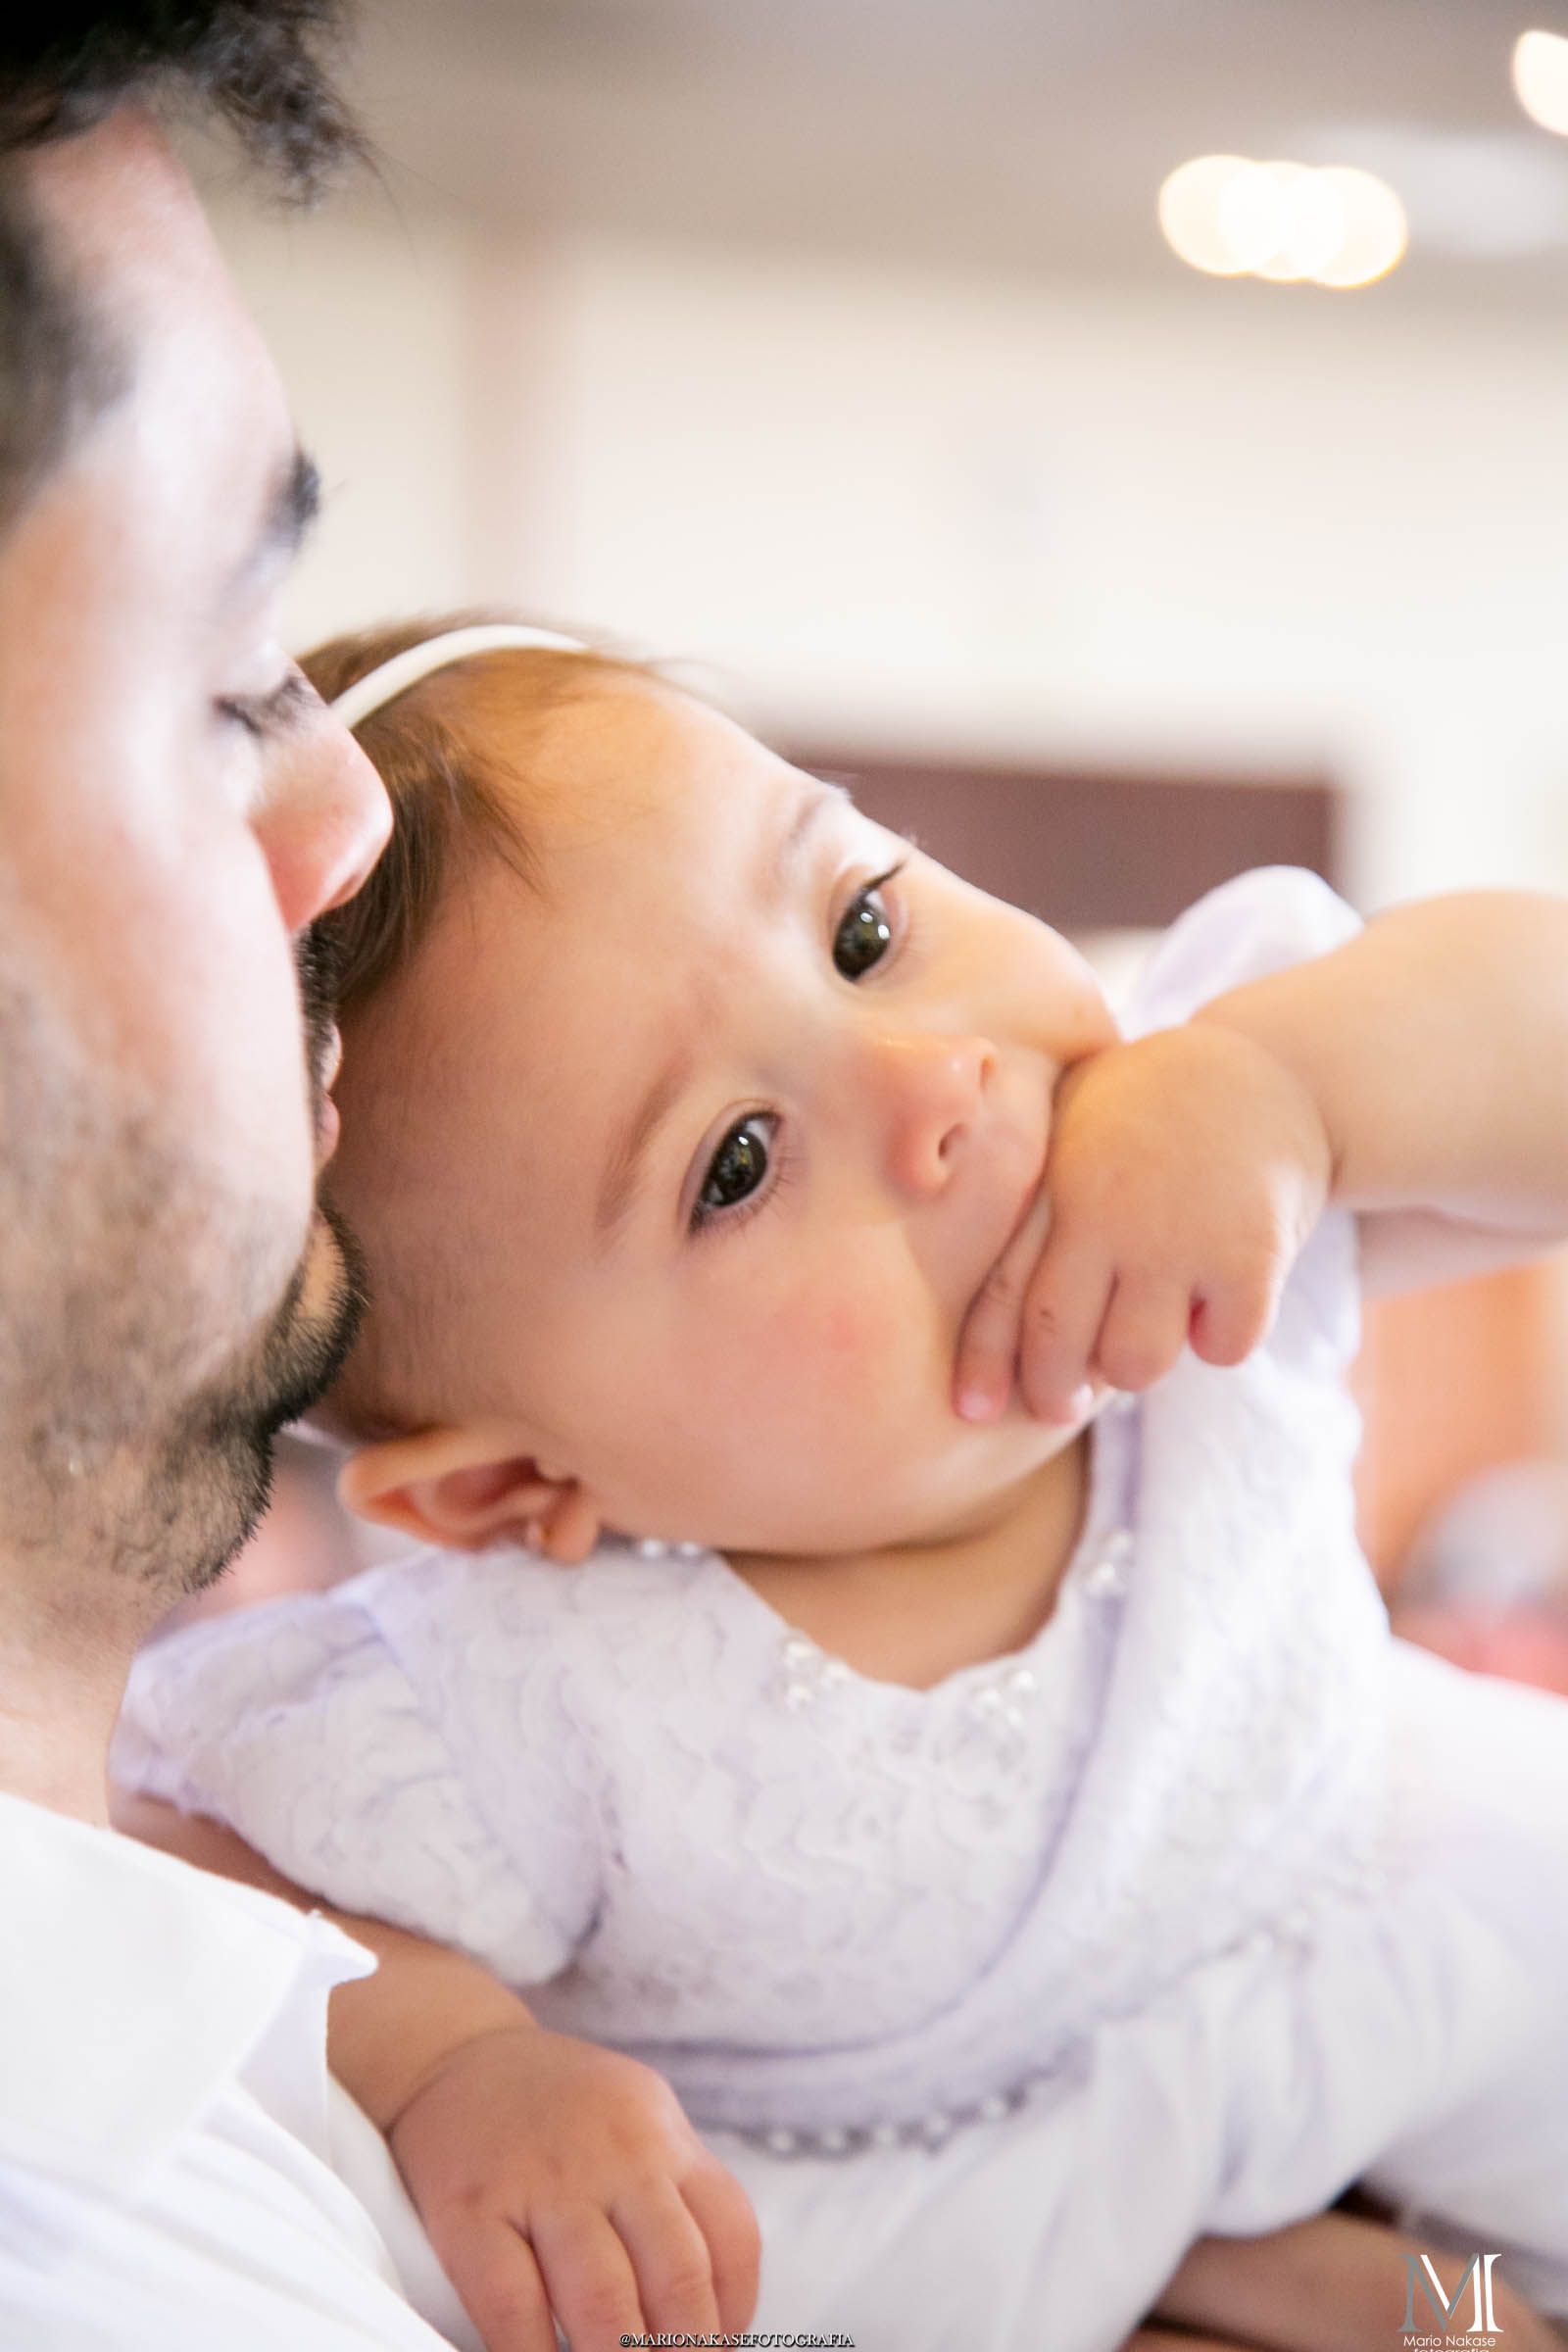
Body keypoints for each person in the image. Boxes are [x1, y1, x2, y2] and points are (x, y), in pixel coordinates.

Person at [114, 616, 1568, 2352]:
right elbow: (182, 1862)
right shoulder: (537, 1707)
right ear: (517, 1488)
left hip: (1420, 1970)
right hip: (989, 2210)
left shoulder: (1197, 1186)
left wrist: (1299, 1082)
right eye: (736, 1165)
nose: (933, 1085)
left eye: (863, 929)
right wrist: (458, 2060)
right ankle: (1312, 2282)